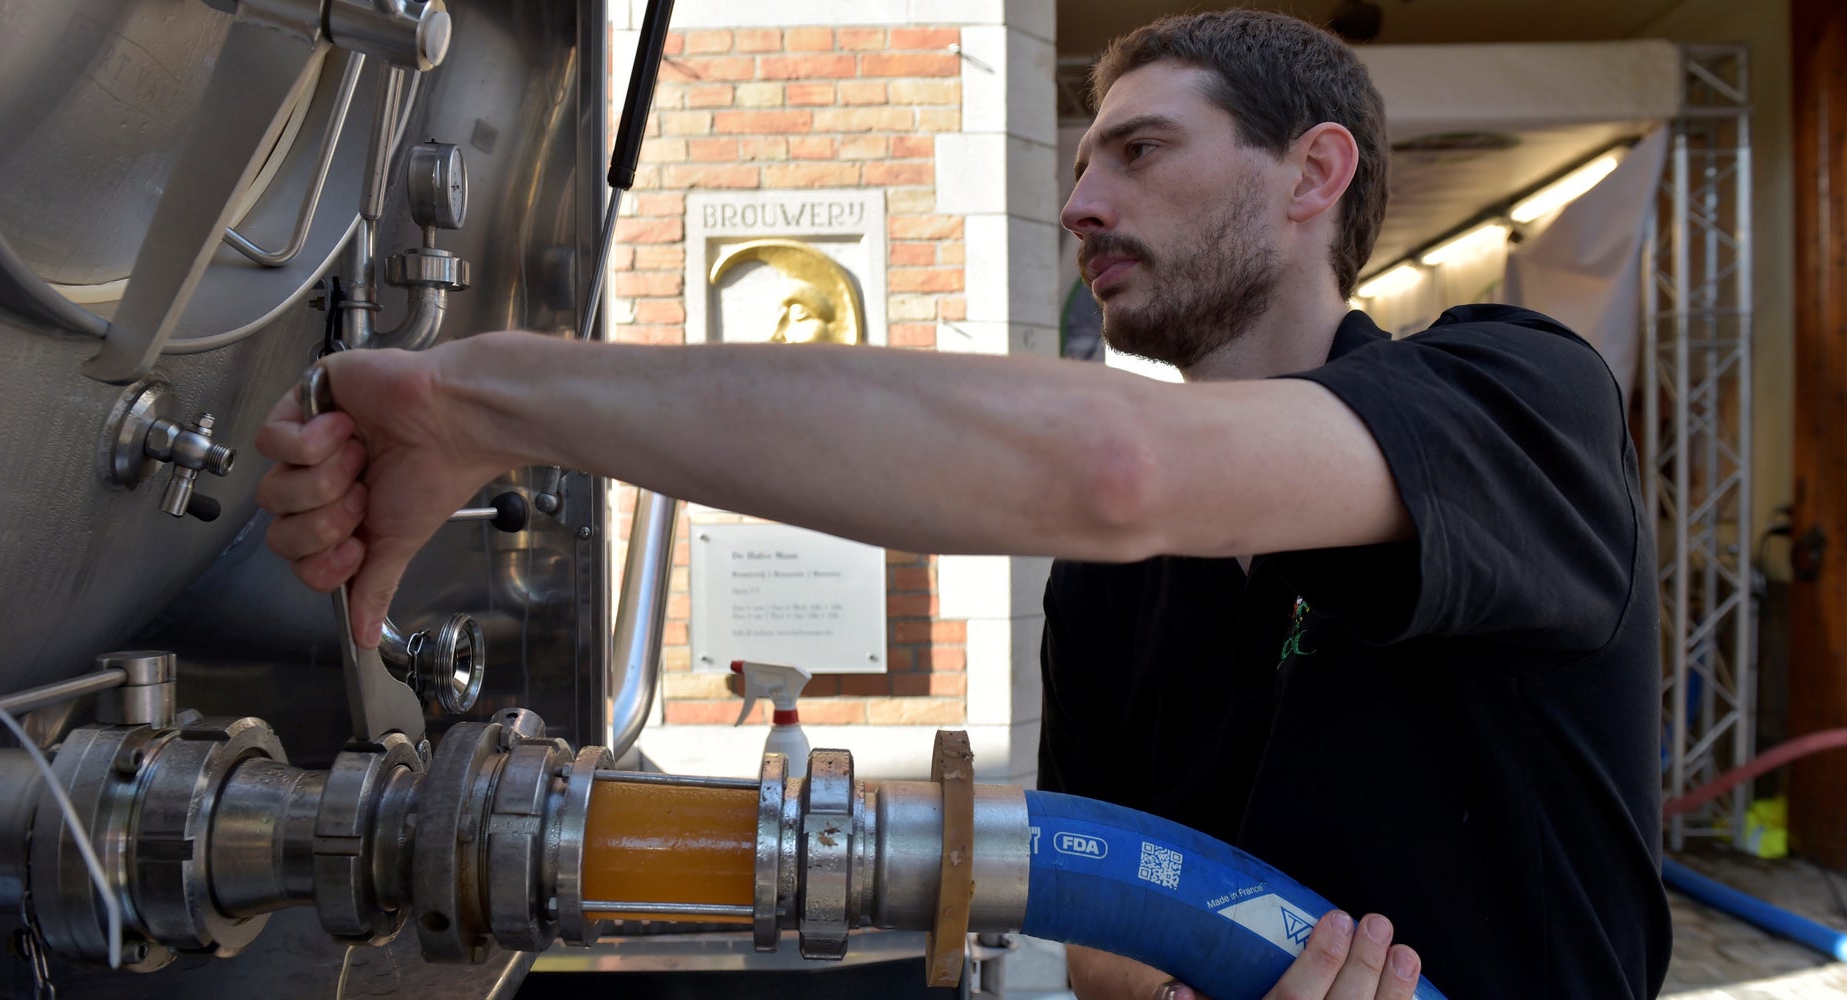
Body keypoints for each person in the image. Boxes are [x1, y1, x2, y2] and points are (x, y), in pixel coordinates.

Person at [254, 10, 1668, 999]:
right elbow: (1102, 917)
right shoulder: (1120, 579)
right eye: (1077, 164)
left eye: (1140, 151)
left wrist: (490, 398)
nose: (1081, 204)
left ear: (1313, 171)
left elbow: (1113, 468)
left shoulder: (1511, 397)